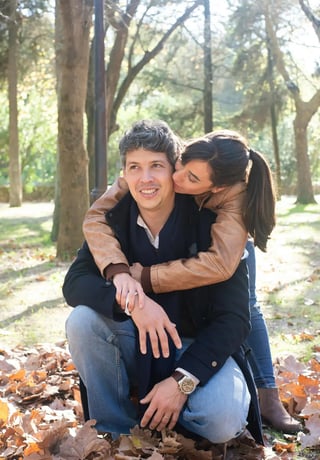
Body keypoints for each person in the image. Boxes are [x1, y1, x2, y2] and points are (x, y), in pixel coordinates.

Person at [82, 126, 301, 433]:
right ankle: (132, 413)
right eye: (180, 167)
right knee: (82, 320)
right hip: (198, 253)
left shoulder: (234, 201)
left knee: (246, 307)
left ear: (217, 187)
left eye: (192, 179)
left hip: (229, 251)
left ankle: (267, 396)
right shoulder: (167, 166)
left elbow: (220, 266)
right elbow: (96, 216)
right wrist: (124, 282)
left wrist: (145, 278)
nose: (177, 178)